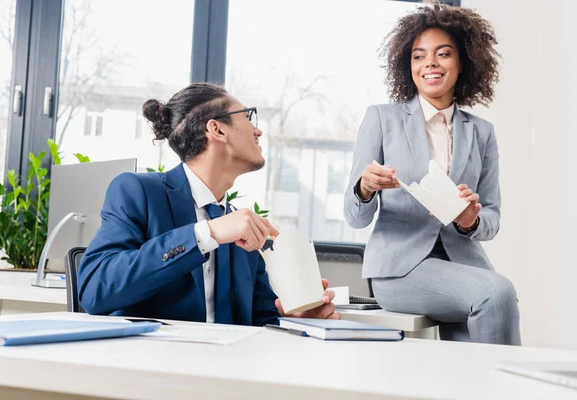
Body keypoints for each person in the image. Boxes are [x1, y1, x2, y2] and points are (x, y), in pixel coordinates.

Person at [78, 83, 340, 326]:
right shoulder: (138, 192)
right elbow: (94, 290)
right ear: (217, 129)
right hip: (156, 368)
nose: (258, 130)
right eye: (248, 118)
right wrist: (207, 233)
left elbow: (260, 319)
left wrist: (299, 317)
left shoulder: (240, 224)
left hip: (227, 370)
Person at [344, 2, 520, 345]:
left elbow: (492, 217)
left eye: (443, 54)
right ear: (406, 64)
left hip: (462, 265)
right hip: (400, 269)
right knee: (496, 294)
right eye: (419, 56)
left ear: (463, 61)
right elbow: (354, 218)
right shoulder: (382, 119)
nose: (430, 64)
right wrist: (364, 189)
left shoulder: (481, 132)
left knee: (475, 350)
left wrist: (469, 220)